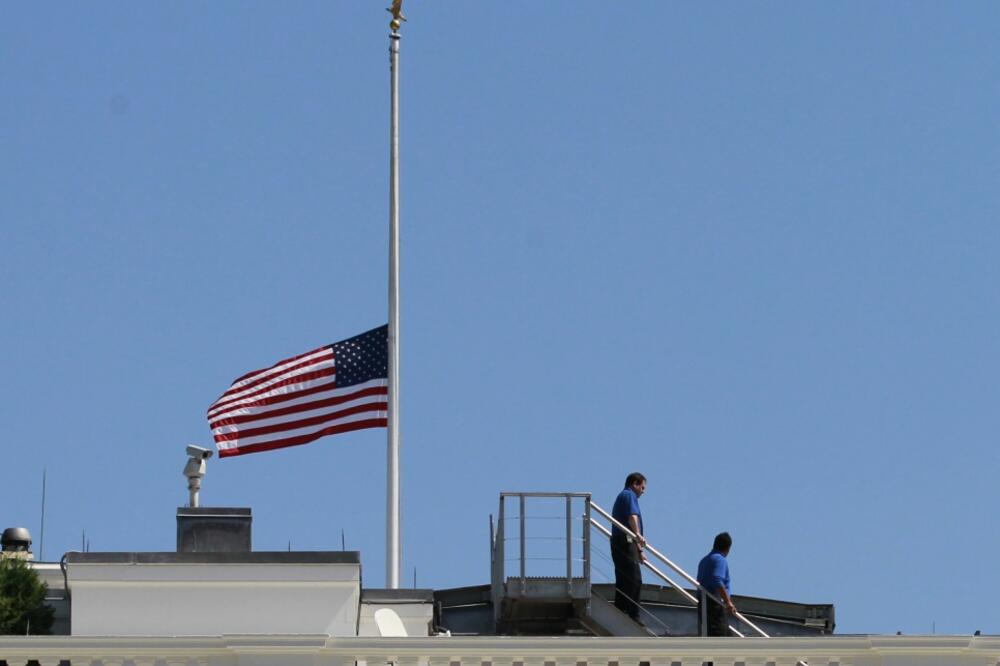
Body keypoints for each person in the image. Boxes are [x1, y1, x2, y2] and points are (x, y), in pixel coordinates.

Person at [610, 472, 646, 621]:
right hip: (625, 541)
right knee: (634, 579)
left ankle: (620, 609)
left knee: (623, 579)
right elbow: (632, 516)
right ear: (635, 484)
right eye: (642, 487)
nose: (643, 492)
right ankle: (633, 615)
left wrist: (639, 550)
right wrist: (638, 534)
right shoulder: (629, 495)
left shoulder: (623, 496)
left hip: (621, 542)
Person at [696, 531, 737, 637]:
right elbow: (717, 580)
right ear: (728, 548)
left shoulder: (704, 560)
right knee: (722, 639)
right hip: (714, 604)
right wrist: (728, 602)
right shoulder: (720, 560)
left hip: (704, 604)